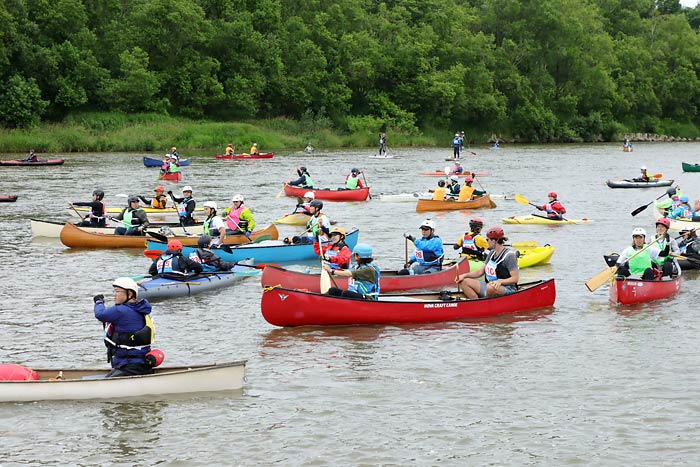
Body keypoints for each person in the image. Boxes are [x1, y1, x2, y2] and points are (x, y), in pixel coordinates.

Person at [93, 277, 155, 378]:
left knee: (105, 384)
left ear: (129, 294)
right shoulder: (141, 309)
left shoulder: (121, 310)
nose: (114, 295)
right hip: (137, 363)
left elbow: (100, 314)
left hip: (130, 365)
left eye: (117, 291)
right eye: (114, 291)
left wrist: (98, 302)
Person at [455, 226, 519, 298]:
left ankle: (486, 304)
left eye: (487, 239)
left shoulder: (509, 256)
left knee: (490, 287)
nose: (486, 241)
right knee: (463, 282)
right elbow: (480, 272)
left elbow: (515, 278)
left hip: (507, 288)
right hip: (489, 286)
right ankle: (477, 304)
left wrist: (500, 282)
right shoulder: (491, 253)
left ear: (494, 241)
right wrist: (464, 275)